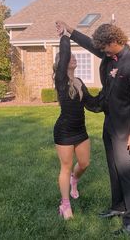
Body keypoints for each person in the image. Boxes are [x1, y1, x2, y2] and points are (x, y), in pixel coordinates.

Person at [55, 21, 130, 235]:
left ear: (114, 42)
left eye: (104, 47)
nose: (102, 51)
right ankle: (118, 206)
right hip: (110, 124)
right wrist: (70, 31)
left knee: (127, 171)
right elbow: (90, 44)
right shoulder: (108, 55)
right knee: (114, 169)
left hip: (126, 130)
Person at [53, 27, 101, 220]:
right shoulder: (60, 80)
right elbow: (64, 53)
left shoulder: (79, 81)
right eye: (69, 57)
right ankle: (65, 205)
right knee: (65, 166)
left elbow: (92, 104)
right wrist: (65, 34)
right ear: (62, 63)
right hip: (64, 131)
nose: (73, 58)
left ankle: (75, 180)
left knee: (84, 163)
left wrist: (111, 92)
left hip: (80, 130)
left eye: (74, 57)